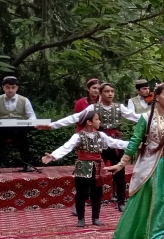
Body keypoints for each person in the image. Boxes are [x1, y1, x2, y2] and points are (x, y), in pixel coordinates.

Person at [105, 83, 164, 239]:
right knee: (149, 200)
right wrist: (122, 163)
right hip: (150, 164)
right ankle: (141, 235)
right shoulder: (146, 118)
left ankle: (153, 231)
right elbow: (135, 140)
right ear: (157, 97)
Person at [44, 82, 142, 211]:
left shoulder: (119, 107)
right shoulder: (93, 108)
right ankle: (81, 202)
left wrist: (156, 117)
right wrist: (53, 125)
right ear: (100, 94)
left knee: (120, 172)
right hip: (97, 141)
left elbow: (136, 117)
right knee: (91, 172)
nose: (110, 94)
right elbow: (76, 117)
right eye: (107, 91)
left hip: (115, 141)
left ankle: (121, 202)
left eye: (112, 91)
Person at [42, 109, 128, 227]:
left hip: (97, 167)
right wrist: (53, 156)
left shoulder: (101, 135)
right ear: (89, 122)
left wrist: (134, 143)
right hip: (83, 167)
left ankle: (95, 218)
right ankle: (81, 218)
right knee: (81, 193)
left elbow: (115, 143)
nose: (99, 121)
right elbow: (66, 147)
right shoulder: (77, 136)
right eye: (97, 119)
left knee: (97, 192)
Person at [0, 76, 38, 173]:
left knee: (23, 138)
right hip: (2, 127)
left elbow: (32, 115)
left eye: (13, 87)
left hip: (19, 128)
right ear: (3, 87)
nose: (10, 90)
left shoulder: (24, 100)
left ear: (17, 88)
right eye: (7, 87)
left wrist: (30, 123)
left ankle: (26, 164)